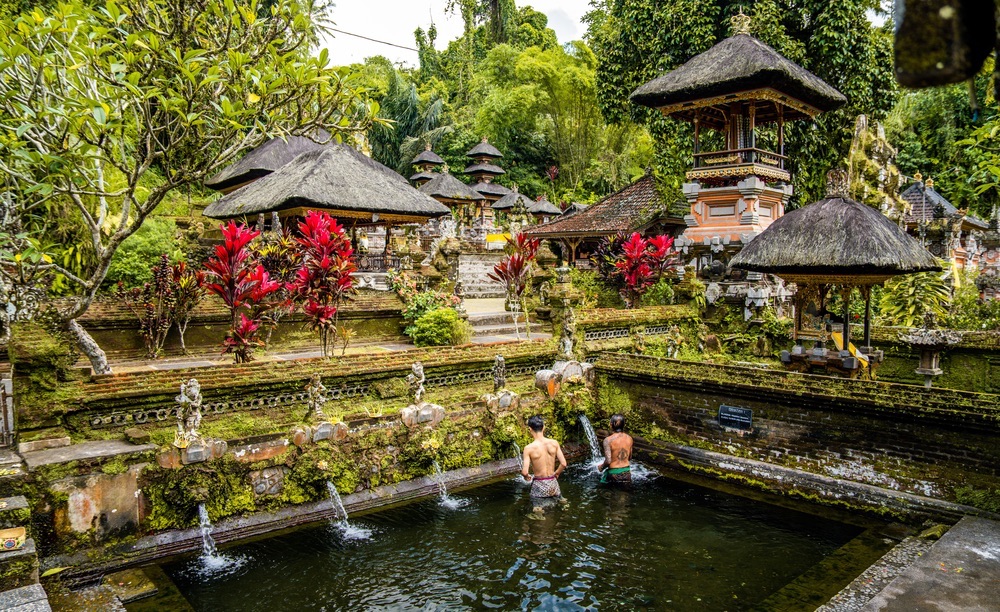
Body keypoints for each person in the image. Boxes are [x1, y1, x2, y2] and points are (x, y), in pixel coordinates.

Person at [522, 415, 567, 512]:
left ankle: (539, 515)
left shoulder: (528, 448)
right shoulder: (554, 443)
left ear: (530, 429)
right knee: (560, 501)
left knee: (536, 506)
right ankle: (564, 507)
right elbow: (563, 463)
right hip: (553, 482)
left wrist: (526, 477)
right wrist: (557, 473)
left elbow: (525, 471)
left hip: (539, 484)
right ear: (544, 427)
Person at [599, 414, 633, 486]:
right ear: (623, 425)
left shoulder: (608, 440)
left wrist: (601, 467)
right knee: (624, 494)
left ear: (611, 425)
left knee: (610, 494)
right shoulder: (629, 438)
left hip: (613, 474)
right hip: (627, 473)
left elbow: (608, 461)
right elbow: (629, 457)